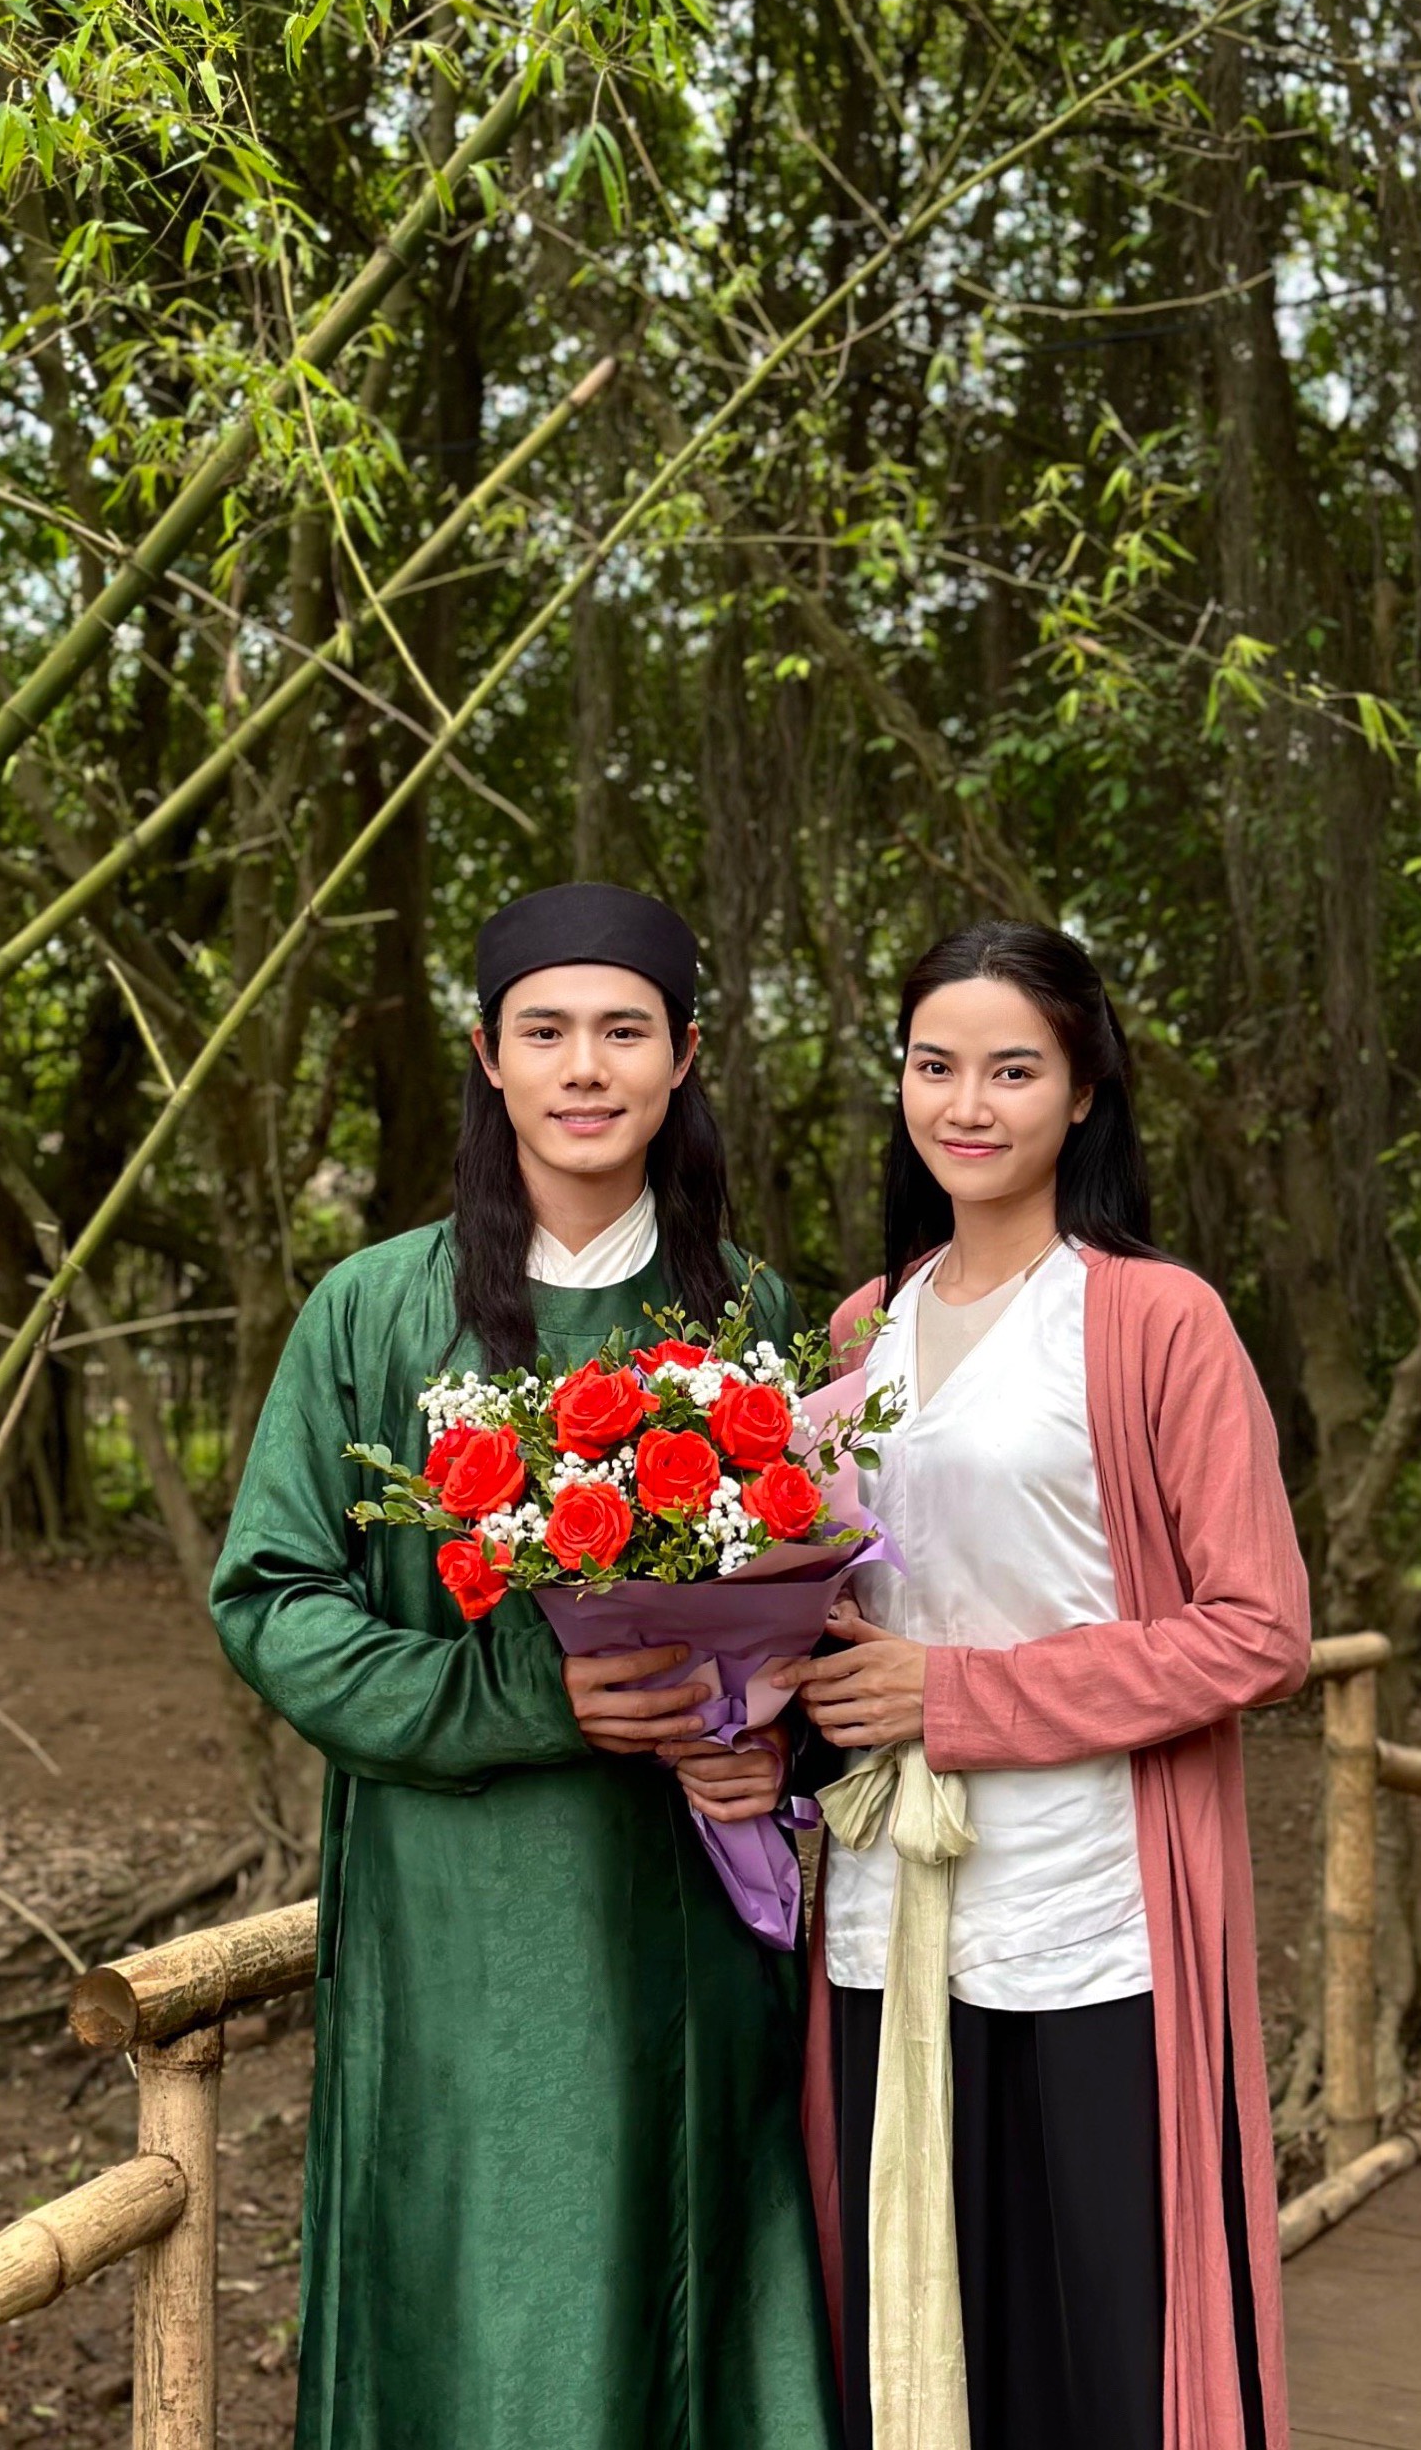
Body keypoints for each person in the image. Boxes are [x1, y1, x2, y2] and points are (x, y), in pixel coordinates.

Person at [212, 883, 842, 2450]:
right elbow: (272, 1597)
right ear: (485, 1055)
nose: (584, 1066)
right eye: (544, 1030)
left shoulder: (747, 1316)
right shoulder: (375, 1309)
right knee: (482, 2275)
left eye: (623, 1030)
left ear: (684, 1055)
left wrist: (766, 1740)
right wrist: (524, 1696)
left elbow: (824, 1602)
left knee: (678, 2253)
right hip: (459, 1909)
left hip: (683, 1912)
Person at [777, 919, 1311, 2450]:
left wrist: (961, 1696)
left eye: (1013, 1068)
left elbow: (1254, 1630)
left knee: (1106, 2332)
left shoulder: (1153, 1318)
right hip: (892, 1898)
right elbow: (839, 1612)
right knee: (925, 2315)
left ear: (1081, 1092)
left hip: (1093, 1904)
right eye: (934, 1065)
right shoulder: (856, 1334)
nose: (968, 1102)